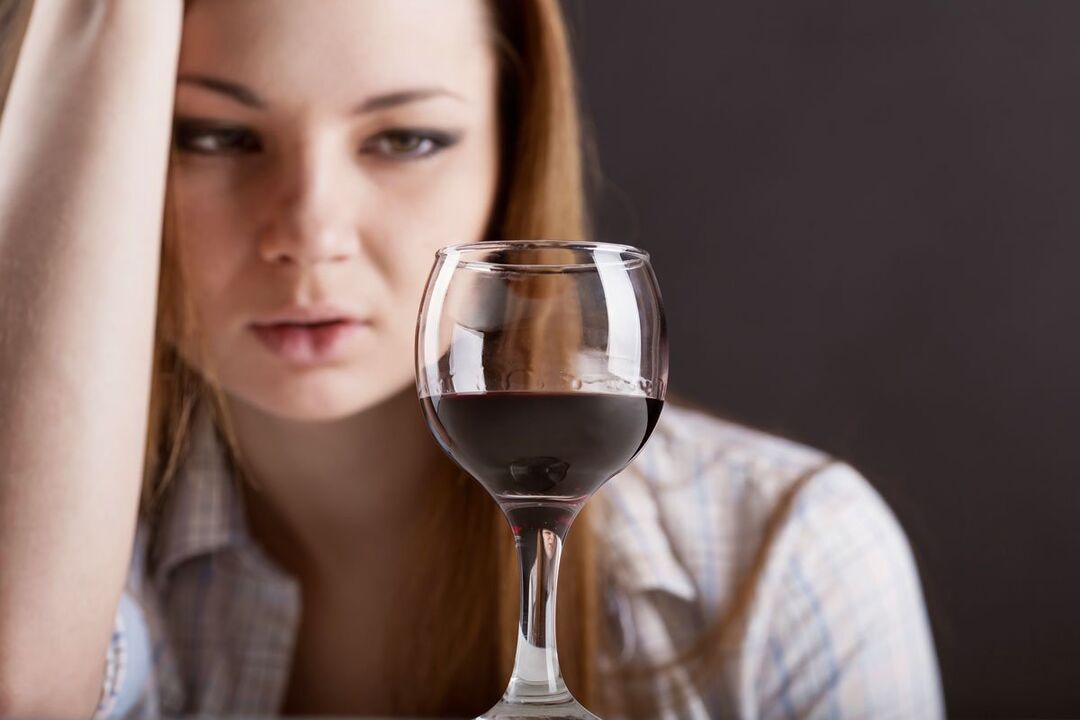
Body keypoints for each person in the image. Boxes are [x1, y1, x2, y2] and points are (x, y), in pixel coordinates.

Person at [0, 0, 944, 718]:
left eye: (406, 139)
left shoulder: (785, 567)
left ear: (512, 151)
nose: (310, 233)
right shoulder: (80, 559)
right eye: (214, 135)